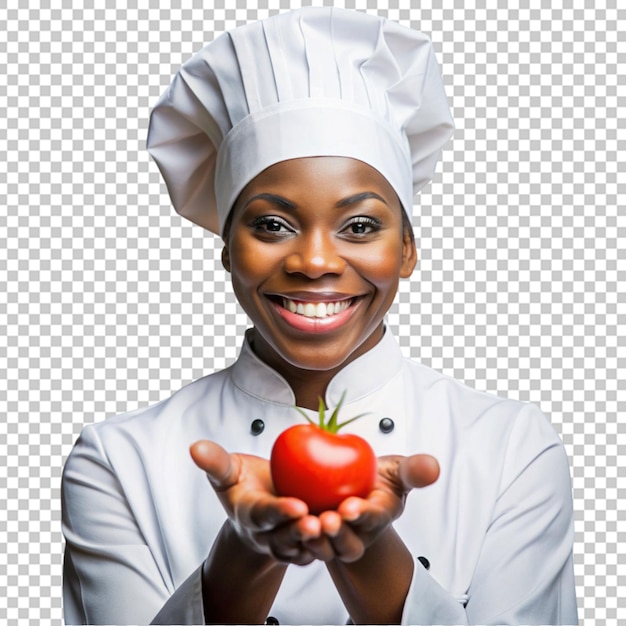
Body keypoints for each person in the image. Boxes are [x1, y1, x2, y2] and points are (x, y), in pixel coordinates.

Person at [61, 7, 578, 625]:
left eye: (360, 225)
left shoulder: (510, 448)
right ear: (227, 247)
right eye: (271, 224)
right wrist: (241, 561)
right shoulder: (120, 460)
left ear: (406, 250)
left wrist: (373, 561)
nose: (313, 261)